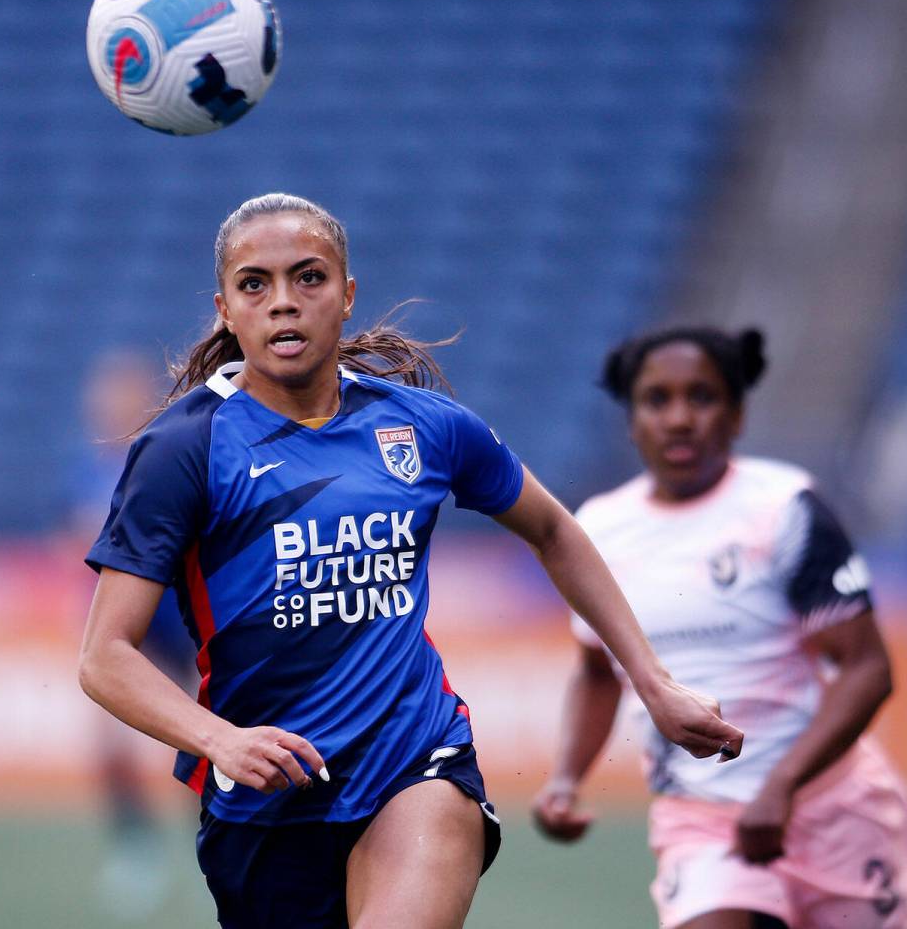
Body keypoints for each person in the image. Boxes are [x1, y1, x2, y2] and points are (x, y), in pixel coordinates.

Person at [77, 194, 743, 929]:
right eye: (255, 284)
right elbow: (106, 655)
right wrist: (221, 739)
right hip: (264, 803)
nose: (284, 304)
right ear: (226, 308)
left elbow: (555, 530)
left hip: (415, 757)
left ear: (347, 293)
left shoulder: (422, 426)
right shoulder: (181, 450)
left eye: (308, 277)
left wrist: (655, 682)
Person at [532, 326, 907, 929]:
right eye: (657, 400)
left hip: (831, 807)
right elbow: (596, 671)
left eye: (703, 397)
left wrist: (784, 785)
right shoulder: (599, 530)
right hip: (702, 817)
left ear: (737, 414)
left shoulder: (785, 508)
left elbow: (868, 668)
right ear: (632, 419)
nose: (680, 418)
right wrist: (566, 779)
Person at [70, 349, 197, 917]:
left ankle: (212, 842)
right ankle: (135, 848)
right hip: (127, 631)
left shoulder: (168, 456)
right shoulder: (87, 471)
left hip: (180, 624)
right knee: (107, 739)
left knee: (201, 736)